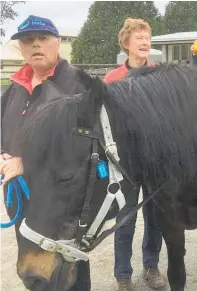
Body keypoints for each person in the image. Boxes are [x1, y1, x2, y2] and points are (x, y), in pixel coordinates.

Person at [0, 15, 91, 290]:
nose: (36, 45)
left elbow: (81, 147)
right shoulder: (16, 86)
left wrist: (24, 160)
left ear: (58, 43)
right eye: (28, 41)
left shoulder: (78, 85)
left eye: (43, 39)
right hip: (20, 191)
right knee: (31, 264)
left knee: (67, 268)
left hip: (59, 196)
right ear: (21, 48)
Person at [104, 18, 166, 291]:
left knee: (156, 218)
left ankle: (151, 266)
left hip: (155, 160)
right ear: (126, 43)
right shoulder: (112, 79)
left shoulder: (161, 76)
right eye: (138, 37)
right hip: (127, 162)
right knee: (125, 218)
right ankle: (123, 274)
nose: (144, 42)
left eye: (147, 37)